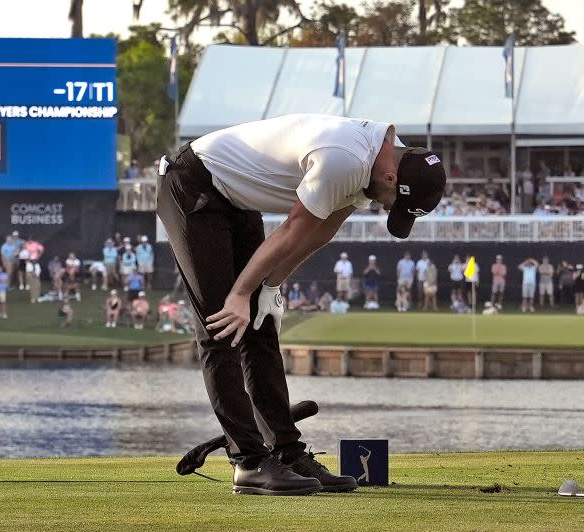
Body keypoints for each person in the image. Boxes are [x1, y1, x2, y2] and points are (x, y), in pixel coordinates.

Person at [156, 113, 445, 495]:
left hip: (236, 200)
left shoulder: (380, 161)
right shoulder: (346, 159)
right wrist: (241, 293)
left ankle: (286, 453)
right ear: (392, 179)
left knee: (258, 325)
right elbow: (293, 227)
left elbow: (322, 229)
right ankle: (250, 463)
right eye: (394, 204)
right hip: (194, 185)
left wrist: (270, 286)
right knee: (221, 325)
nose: (388, 208)